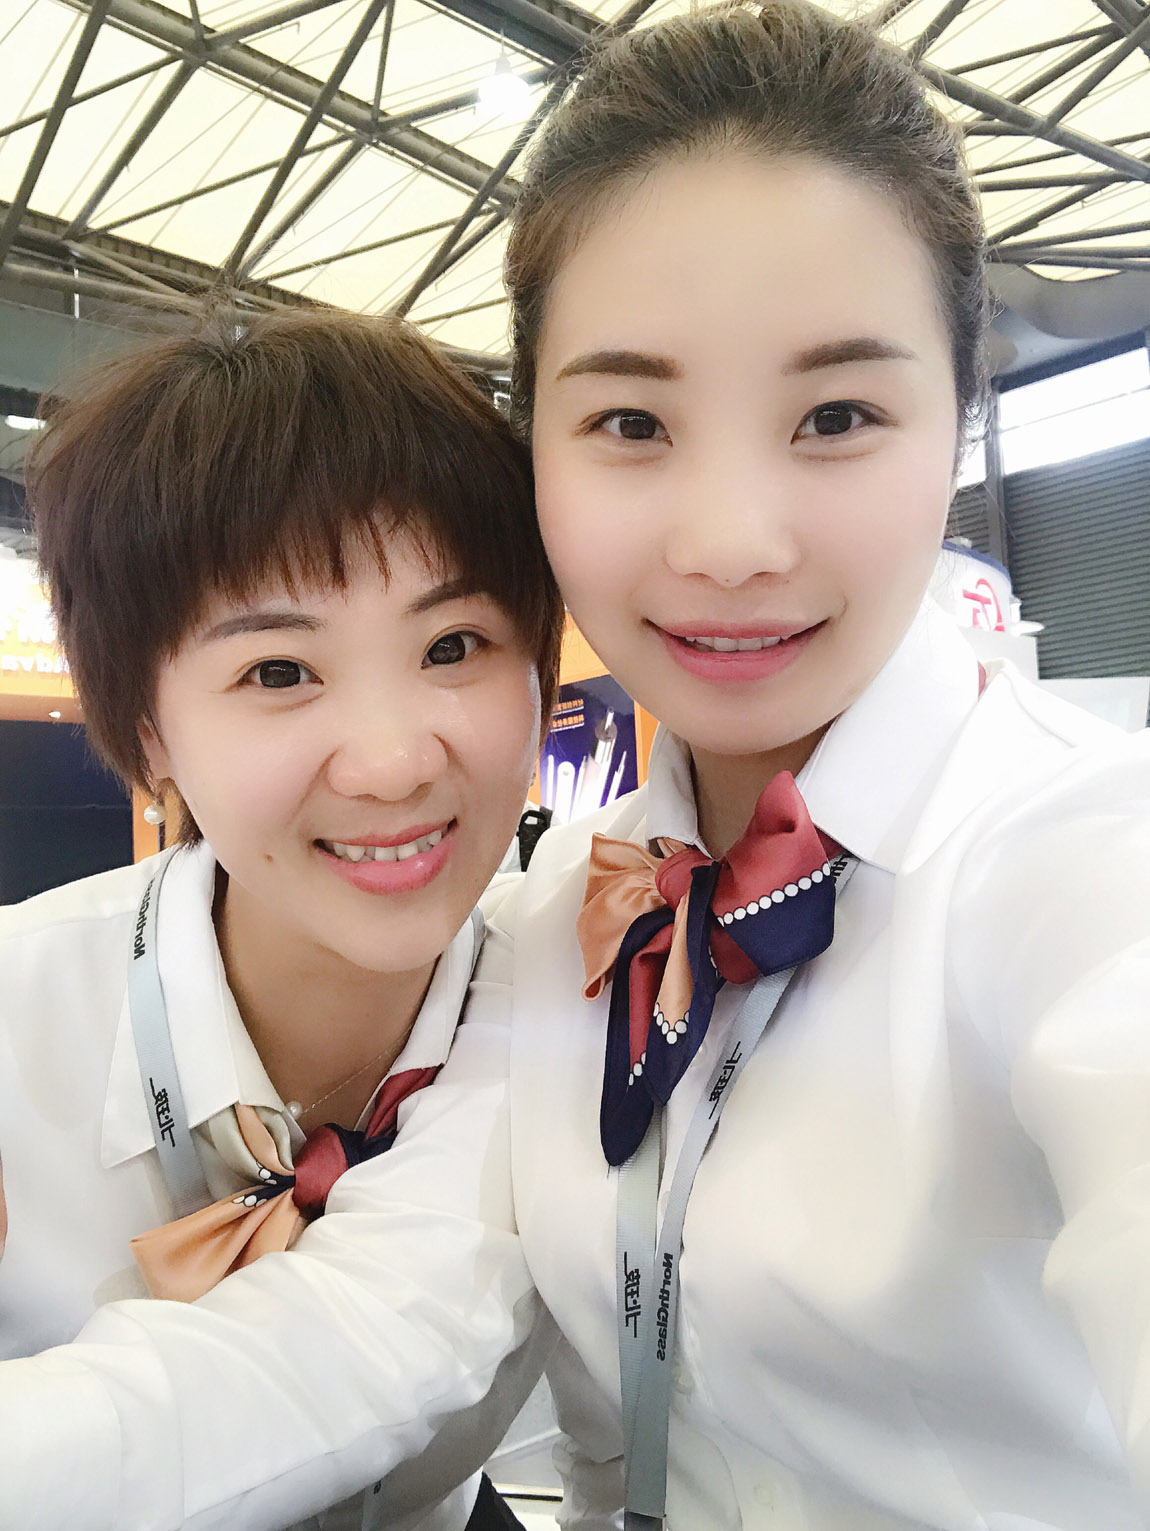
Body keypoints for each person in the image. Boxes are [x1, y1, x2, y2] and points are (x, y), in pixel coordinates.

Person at [2, 5, 1150, 1528]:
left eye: (837, 415)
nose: (730, 542)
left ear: (958, 421)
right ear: (536, 445)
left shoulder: (1081, 862)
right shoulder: (566, 926)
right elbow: (367, 1318)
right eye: (629, 420)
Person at [0, 307, 562, 1531]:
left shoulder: (580, 1005)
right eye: (277, 672)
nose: (391, 761)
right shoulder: (15, 1026)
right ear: (146, 730)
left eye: (454, 643)